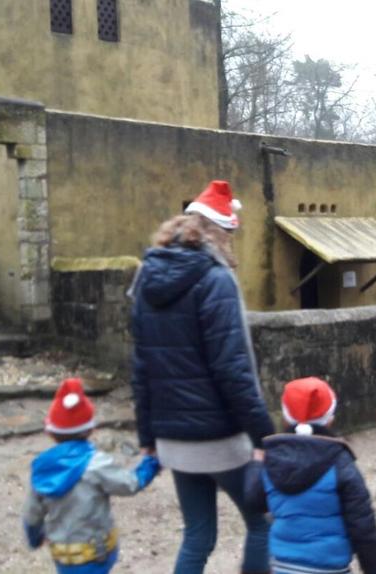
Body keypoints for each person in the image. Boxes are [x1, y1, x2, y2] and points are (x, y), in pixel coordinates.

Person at [130, 181, 275, 574]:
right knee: (262, 522)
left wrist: (148, 438)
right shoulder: (216, 280)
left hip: (173, 439)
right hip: (219, 438)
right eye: (232, 233)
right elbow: (232, 367)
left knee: (197, 534)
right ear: (220, 232)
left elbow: (141, 366)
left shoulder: (145, 278)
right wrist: (264, 436)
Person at [244, 377, 376, 574]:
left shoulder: (271, 460)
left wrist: (256, 464)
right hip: (330, 566)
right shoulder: (340, 462)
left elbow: (254, 500)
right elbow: (363, 525)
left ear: (285, 419)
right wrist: (373, 568)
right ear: (330, 419)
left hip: (282, 566)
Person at [23, 379, 161, 574]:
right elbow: (131, 483)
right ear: (91, 429)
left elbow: (32, 514)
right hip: (96, 553)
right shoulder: (97, 464)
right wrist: (152, 462)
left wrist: (34, 538)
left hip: (64, 557)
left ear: (50, 432)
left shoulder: (42, 468)